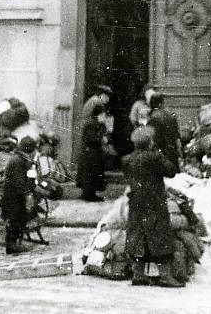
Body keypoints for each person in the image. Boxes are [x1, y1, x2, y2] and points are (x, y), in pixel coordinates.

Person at [122, 126, 183, 287]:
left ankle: (138, 274)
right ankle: (165, 276)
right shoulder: (155, 157)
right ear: (150, 141)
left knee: (137, 235)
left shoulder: (127, 159)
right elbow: (171, 171)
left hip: (136, 202)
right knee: (160, 236)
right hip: (154, 201)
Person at [2, 136, 38, 254]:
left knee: (19, 219)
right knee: (15, 219)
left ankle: (14, 243)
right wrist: (27, 194)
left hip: (15, 195)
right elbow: (19, 182)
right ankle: (11, 245)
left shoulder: (21, 159)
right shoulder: (18, 161)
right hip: (13, 196)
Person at [76, 85, 112, 202]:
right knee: (92, 170)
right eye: (107, 97)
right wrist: (104, 130)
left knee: (86, 170)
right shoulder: (98, 104)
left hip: (87, 143)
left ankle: (86, 192)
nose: (108, 100)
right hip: (92, 146)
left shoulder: (91, 101)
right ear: (102, 95)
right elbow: (99, 124)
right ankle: (89, 194)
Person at [147, 92, 181, 173]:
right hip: (172, 152)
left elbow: (156, 139)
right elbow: (177, 135)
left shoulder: (153, 117)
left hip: (162, 153)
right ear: (161, 103)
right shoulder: (171, 115)